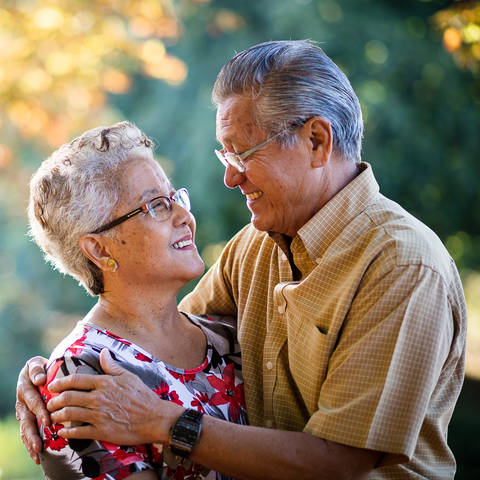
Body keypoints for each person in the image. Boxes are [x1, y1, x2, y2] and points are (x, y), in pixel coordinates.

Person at [17, 40, 467, 479]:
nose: (230, 177)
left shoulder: (402, 266)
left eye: (242, 153)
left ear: (316, 141)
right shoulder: (255, 246)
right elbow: (158, 341)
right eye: (224, 154)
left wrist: (165, 422)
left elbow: (342, 462)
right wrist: (54, 374)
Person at [20, 121, 247, 479]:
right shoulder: (80, 375)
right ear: (99, 248)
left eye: (176, 198)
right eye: (156, 205)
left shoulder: (229, 335)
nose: (185, 217)